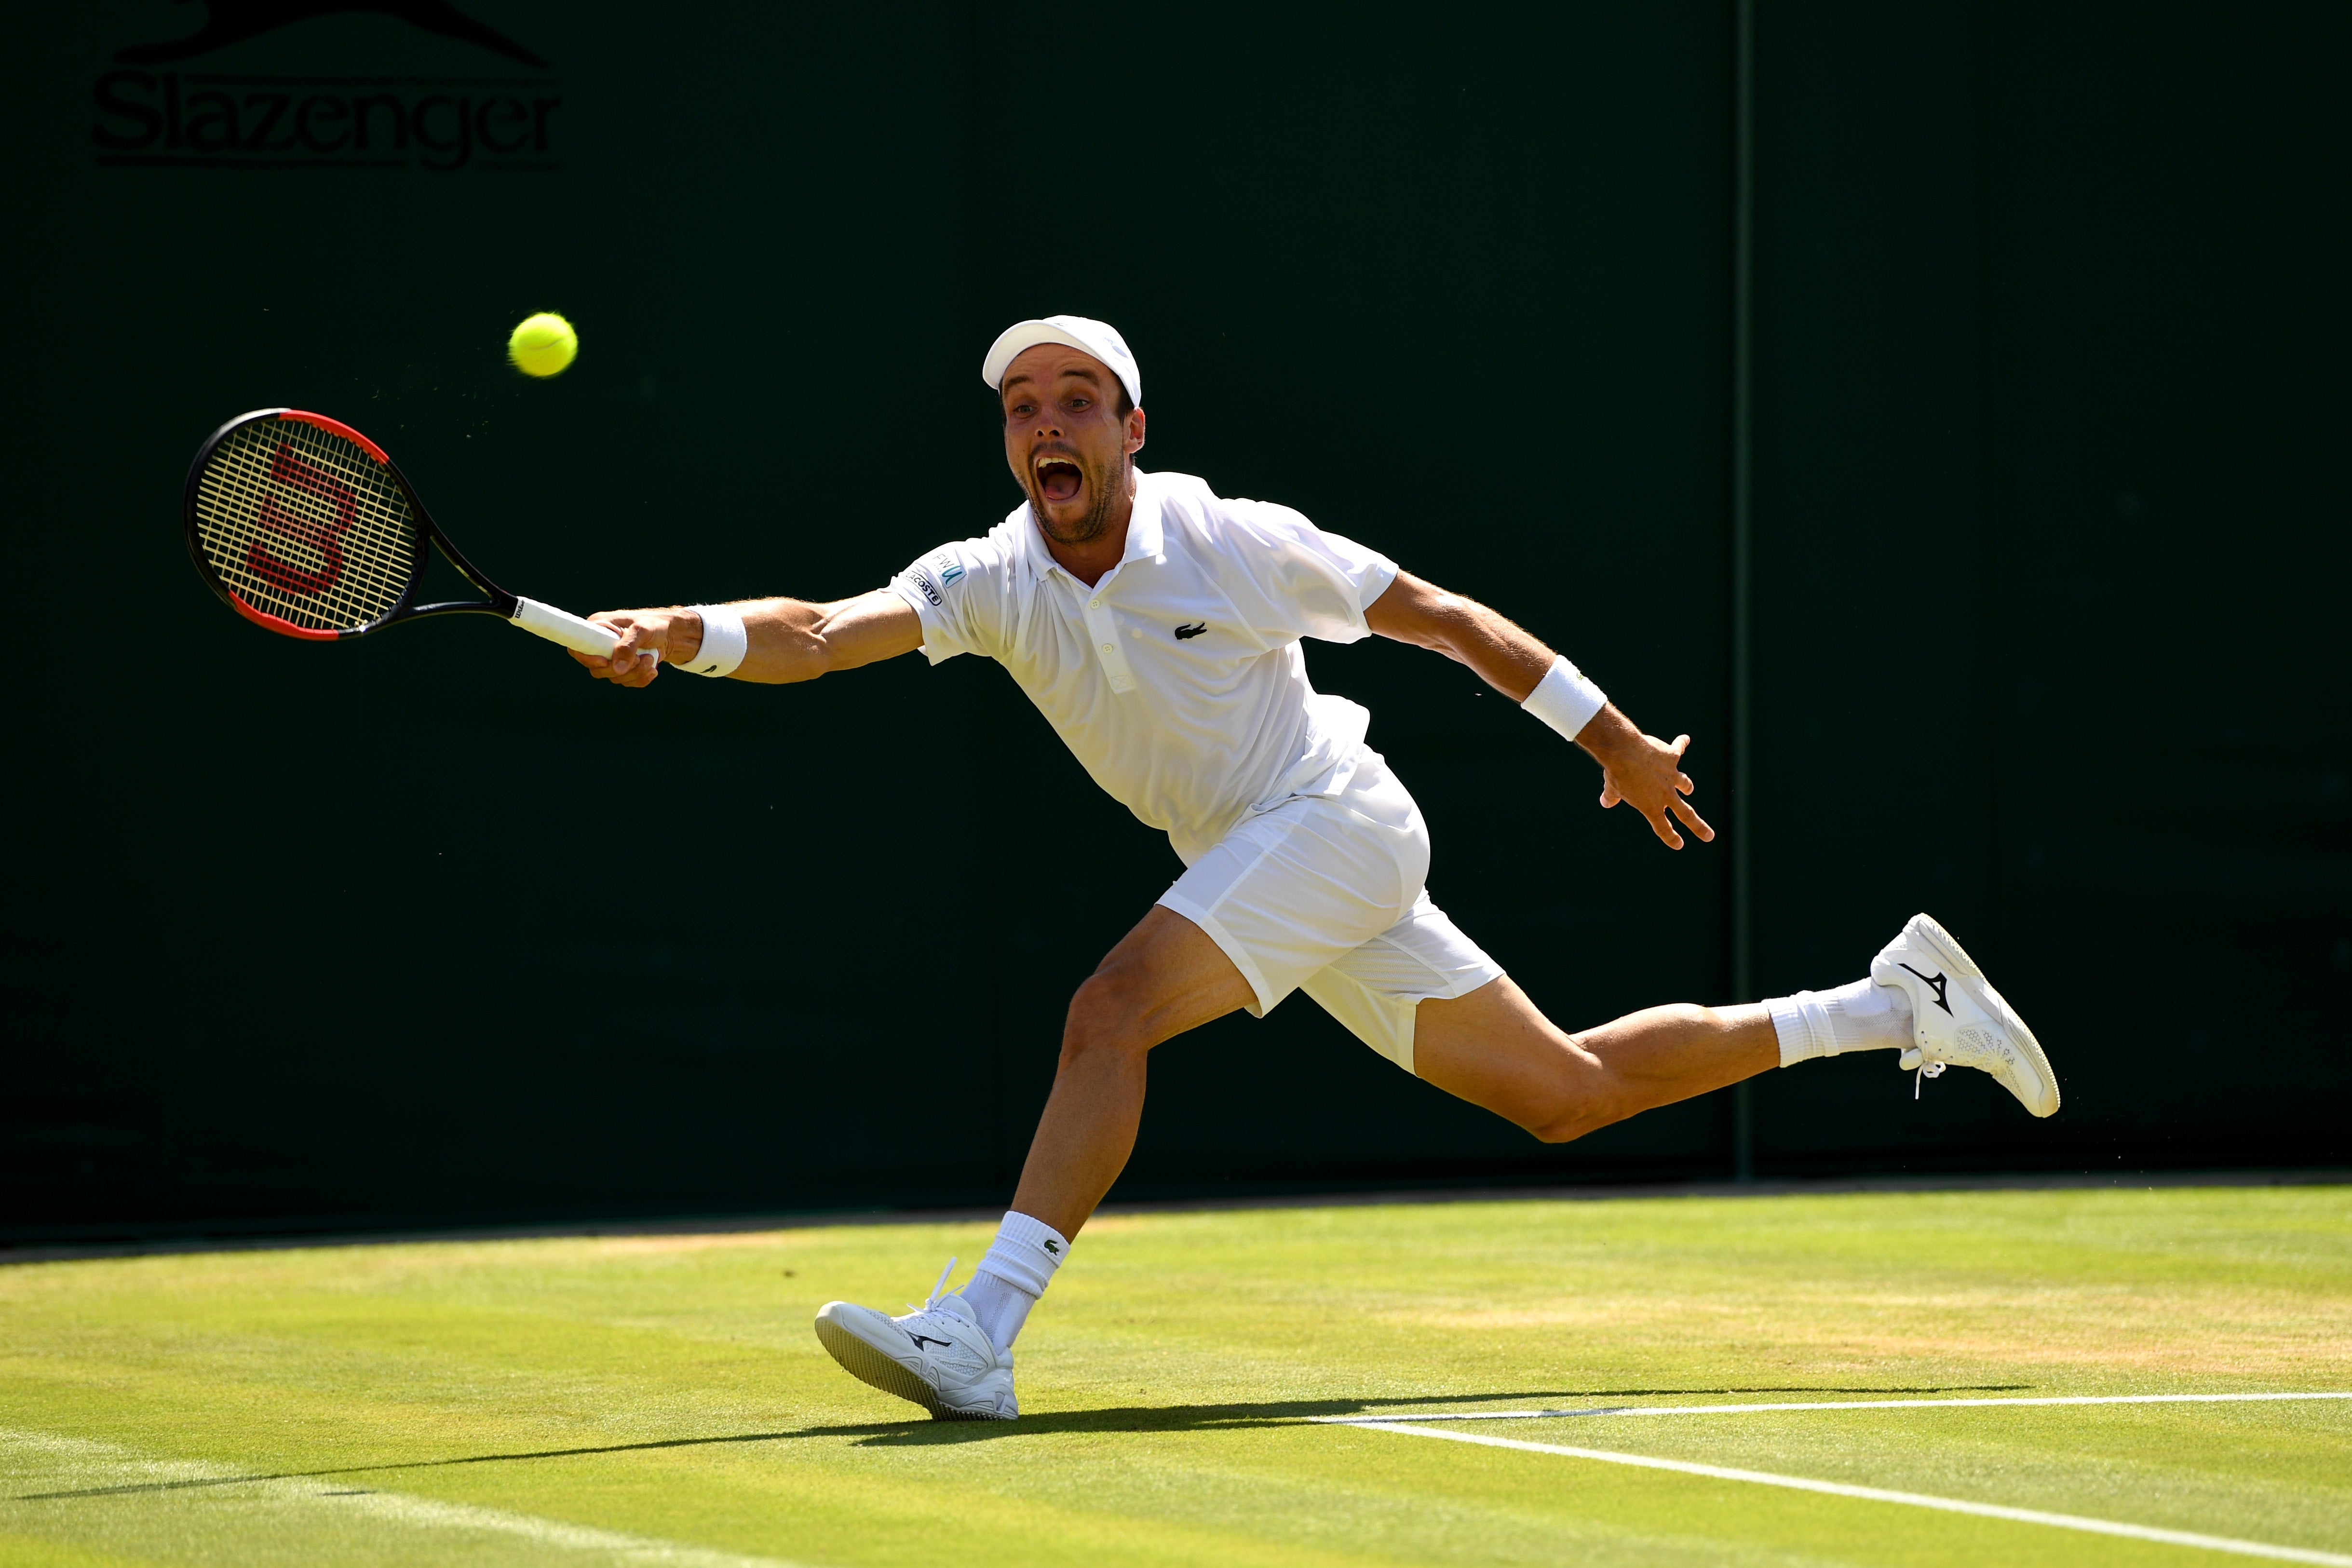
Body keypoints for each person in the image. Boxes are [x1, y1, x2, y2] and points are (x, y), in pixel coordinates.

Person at [572, 314, 2059, 1422]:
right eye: (1022, 406)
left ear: (1133, 426)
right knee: (1567, 1093)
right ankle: (1892, 1002)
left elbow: (1446, 617)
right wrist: (679, 630)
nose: (1047, 422)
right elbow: (824, 633)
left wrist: (1610, 738)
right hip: (1261, 860)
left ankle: (983, 1329)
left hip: (1335, 819)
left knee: (1110, 1010)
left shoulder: (1232, 539)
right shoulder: (993, 578)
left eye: (1077, 397)